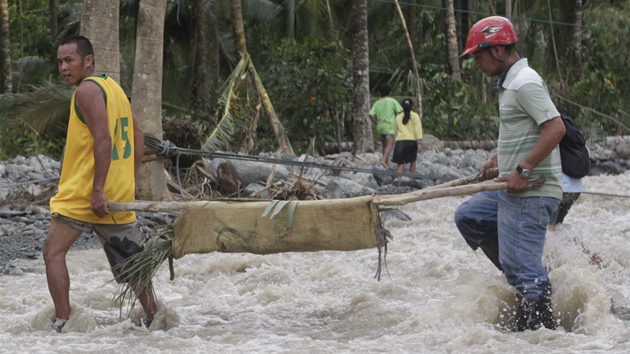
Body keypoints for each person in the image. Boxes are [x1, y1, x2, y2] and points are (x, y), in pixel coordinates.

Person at [454, 16, 566, 331]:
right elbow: (528, 130)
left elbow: (555, 127)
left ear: (500, 51)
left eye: (479, 55)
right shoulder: (510, 84)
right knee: (470, 216)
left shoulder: (525, 81)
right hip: (513, 185)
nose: (475, 62)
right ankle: (520, 272)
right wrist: (499, 159)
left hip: (531, 189)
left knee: (525, 271)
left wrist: (522, 168)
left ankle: (541, 334)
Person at [43, 35, 157, 332]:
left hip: (84, 194)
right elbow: (139, 135)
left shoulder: (87, 91)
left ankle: (63, 322)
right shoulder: (113, 88)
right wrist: (125, 181)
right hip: (115, 192)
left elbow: (103, 139)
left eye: (69, 60)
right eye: (60, 62)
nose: (64, 68)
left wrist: (97, 190)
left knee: (52, 254)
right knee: (133, 263)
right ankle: (155, 318)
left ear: (88, 60)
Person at [369, 83, 403, 168]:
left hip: (380, 127)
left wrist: (376, 122)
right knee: (390, 145)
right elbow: (400, 112)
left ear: (380, 93)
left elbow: (371, 114)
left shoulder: (377, 103)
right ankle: (383, 160)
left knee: (384, 145)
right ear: (390, 92)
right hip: (390, 126)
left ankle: (386, 164)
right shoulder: (392, 101)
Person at [392, 98, 423, 180]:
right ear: (412, 106)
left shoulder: (398, 116)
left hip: (400, 141)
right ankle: (411, 178)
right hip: (411, 141)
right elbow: (417, 129)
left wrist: (395, 139)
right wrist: (419, 142)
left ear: (402, 106)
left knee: (400, 162)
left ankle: (399, 178)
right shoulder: (415, 116)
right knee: (412, 160)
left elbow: (395, 130)